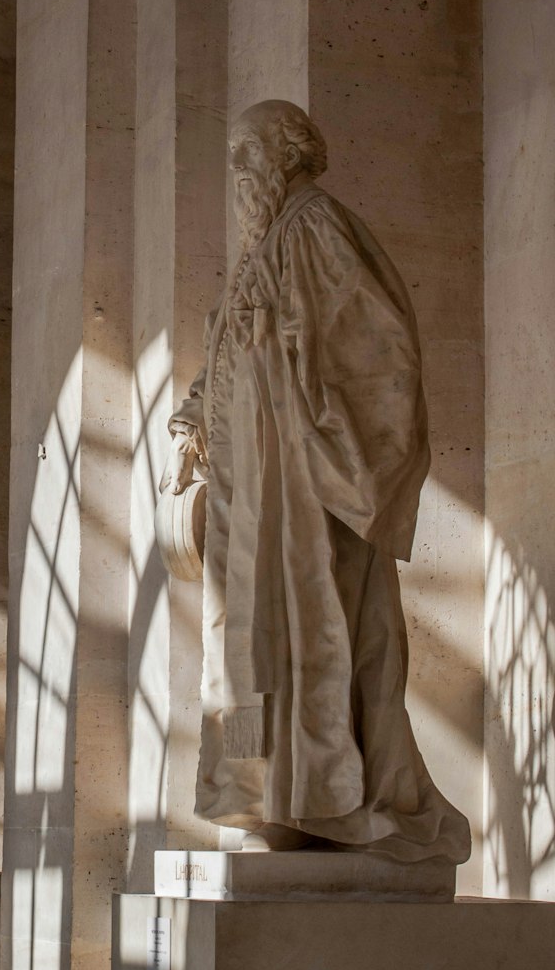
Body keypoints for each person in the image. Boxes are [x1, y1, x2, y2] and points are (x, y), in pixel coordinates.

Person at [167, 99, 470, 862]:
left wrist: (323, 440)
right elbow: (231, 350)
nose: (235, 174)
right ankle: (253, 790)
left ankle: (317, 800)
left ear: (290, 153)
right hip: (245, 493)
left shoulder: (316, 231)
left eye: (246, 154)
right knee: (239, 651)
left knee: (307, 647)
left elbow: (380, 357)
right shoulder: (263, 248)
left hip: (300, 494)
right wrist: (194, 417)